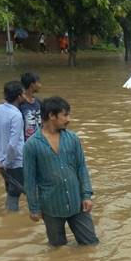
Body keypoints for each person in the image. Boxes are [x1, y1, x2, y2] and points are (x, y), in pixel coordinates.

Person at [23, 97, 99, 246]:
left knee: (91, 244)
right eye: (65, 115)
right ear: (52, 116)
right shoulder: (31, 145)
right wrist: (34, 208)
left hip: (77, 203)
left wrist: (87, 195)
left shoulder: (72, 139)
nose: (68, 119)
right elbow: (29, 179)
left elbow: (81, 168)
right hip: (51, 206)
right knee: (57, 248)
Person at [0, 81, 26, 211]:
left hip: (1, 161)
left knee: (11, 190)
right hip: (16, 162)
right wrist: (6, 162)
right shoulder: (17, 115)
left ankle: (10, 221)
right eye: (23, 94)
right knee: (19, 192)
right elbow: (13, 145)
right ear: (19, 96)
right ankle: (12, 222)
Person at [20, 72, 42, 142]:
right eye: (38, 83)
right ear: (32, 85)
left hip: (38, 140)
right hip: (25, 143)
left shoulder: (38, 102)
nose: (40, 85)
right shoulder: (20, 104)